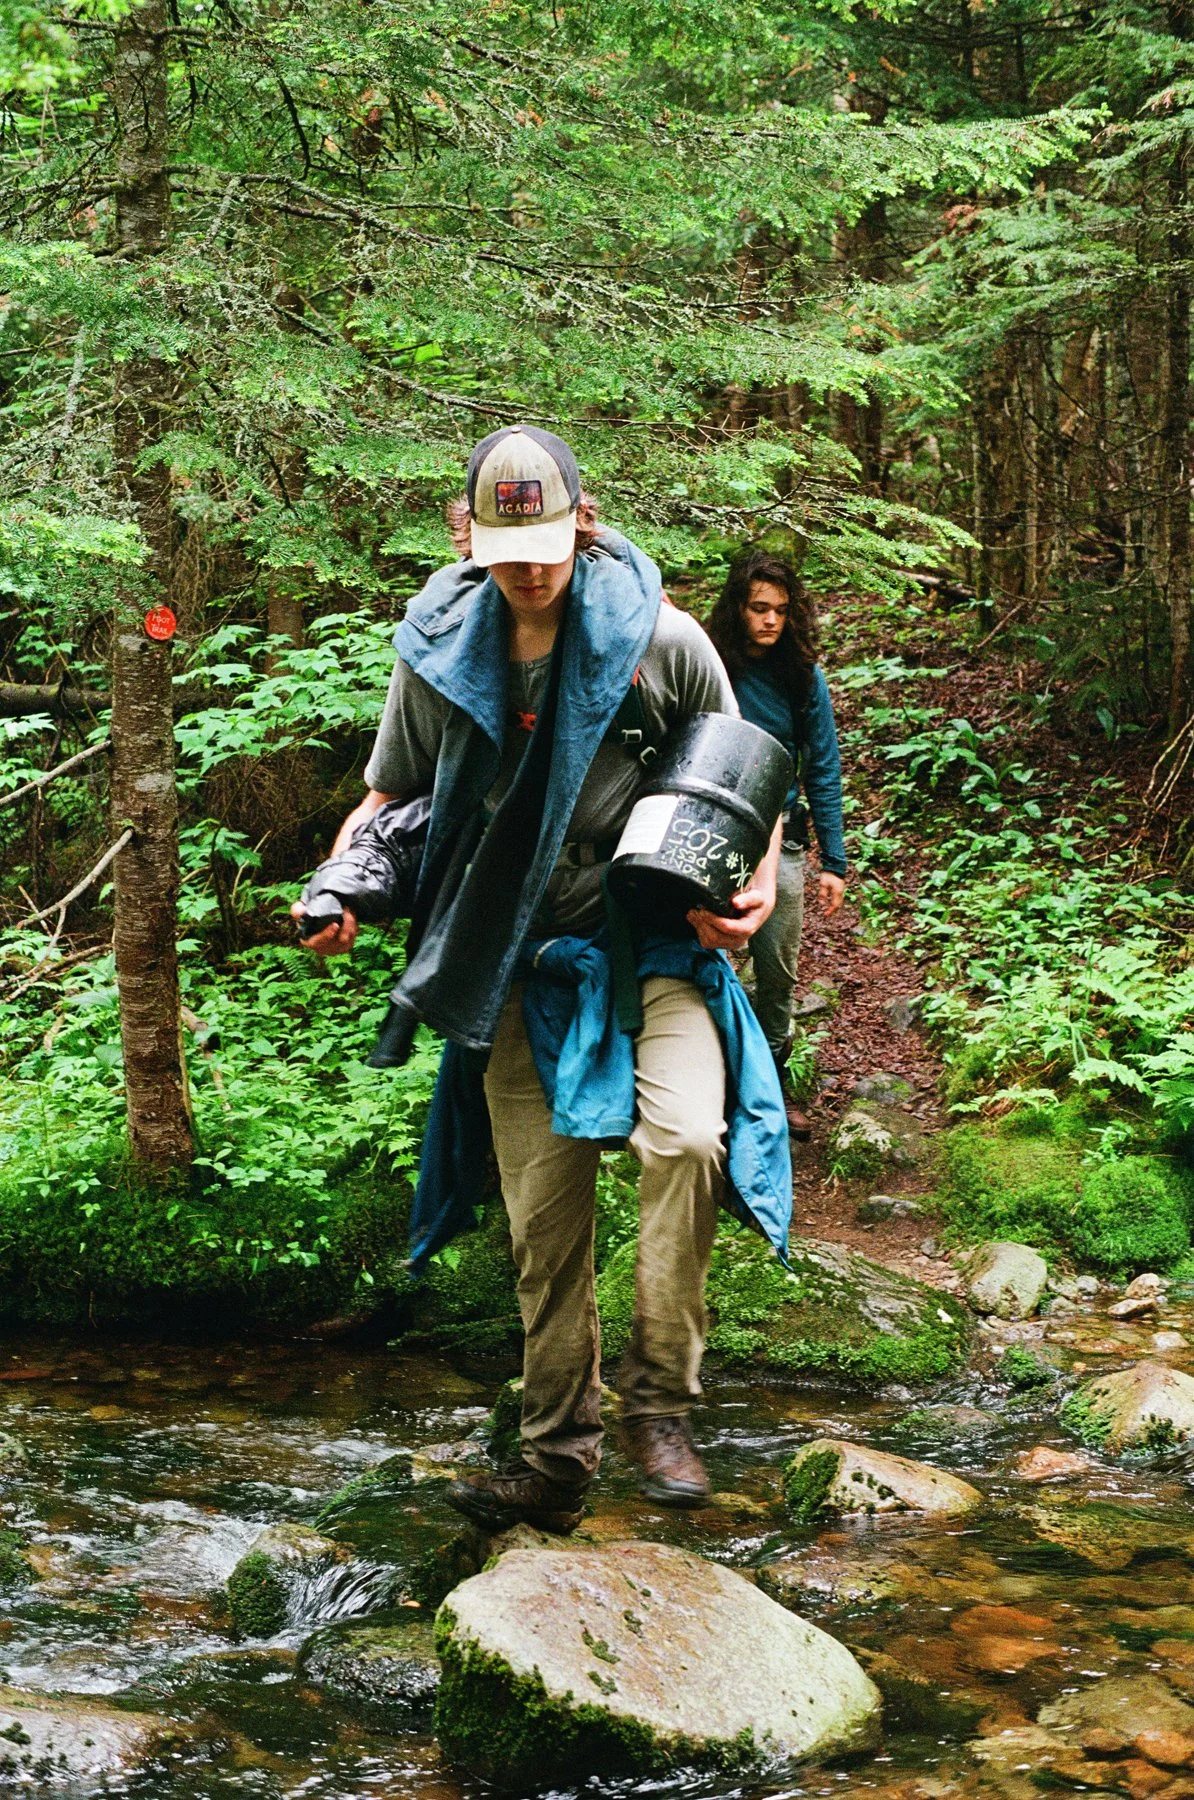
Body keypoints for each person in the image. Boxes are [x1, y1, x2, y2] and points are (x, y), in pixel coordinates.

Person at [293, 424, 792, 1534]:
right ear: (466, 534)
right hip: (513, 965)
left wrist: (754, 890)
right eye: (507, 543)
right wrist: (336, 888)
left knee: (686, 1140)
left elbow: (750, 783)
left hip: (651, 949)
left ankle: (663, 1405)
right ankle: (557, 1456)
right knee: (543, 1220)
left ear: (585, 520)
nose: (530, 566)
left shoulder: (659, 642)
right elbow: (387, 800)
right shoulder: (436, 655)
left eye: (549, 541)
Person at [706, 549, 847, 1139]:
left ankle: (766, 1090)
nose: (770, 621)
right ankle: (707, 1088)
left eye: (781, 611)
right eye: (759, 608)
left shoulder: (800, 675)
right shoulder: (708, 661)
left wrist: (833, 860)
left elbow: (824, 764)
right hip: (711, 834)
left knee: (778, 971)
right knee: (707, 958)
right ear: (738, 607)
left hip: (781, 838)